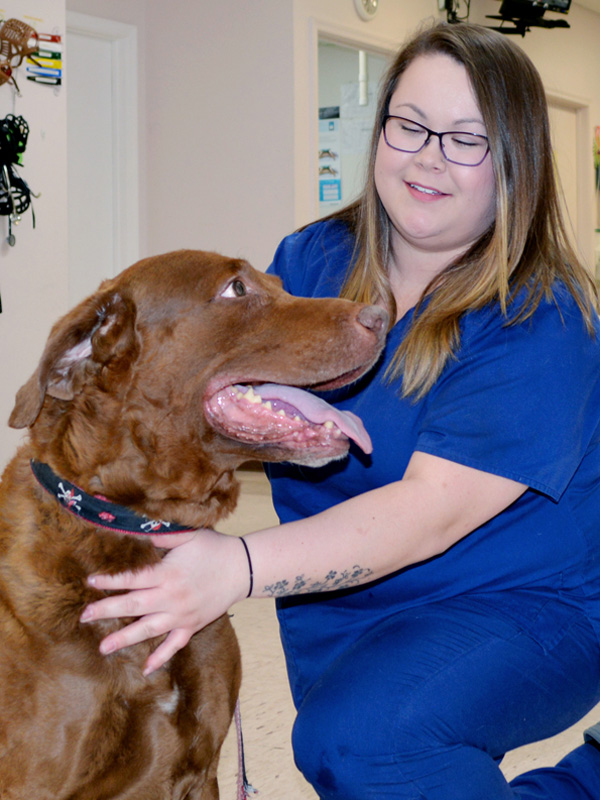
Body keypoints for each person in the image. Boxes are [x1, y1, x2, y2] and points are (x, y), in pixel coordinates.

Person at [80, 21, 600, 800]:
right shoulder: (310, 260)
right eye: (411, 125)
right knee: (352, 751)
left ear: (514, 161)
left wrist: (240, 565)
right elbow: (237, 400)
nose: (429, 157)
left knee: (366, 741)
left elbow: (431, 511)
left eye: (467, 139)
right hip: (345, 595)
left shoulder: (544, 318)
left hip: (526, 606)